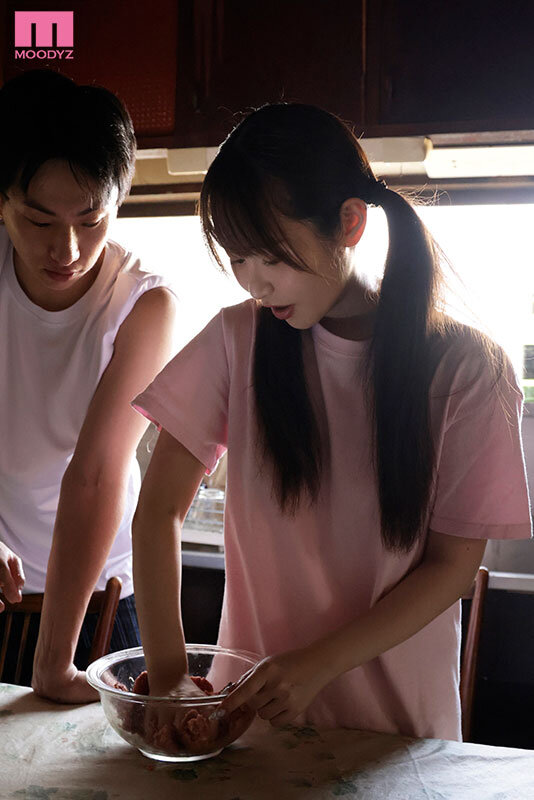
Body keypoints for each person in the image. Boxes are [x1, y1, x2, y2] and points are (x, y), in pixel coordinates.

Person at [131, 103, 531, 740]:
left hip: (397, 741)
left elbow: (452, 568)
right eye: (237, 259)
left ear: (349, 223)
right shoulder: (236, 340)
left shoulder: (468, 368)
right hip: (254, 731)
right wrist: (170, 675)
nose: (255, 284)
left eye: (271, 257)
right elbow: (157, 512)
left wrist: (318, 664)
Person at [0, 69, 176, 703]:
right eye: (39, 220)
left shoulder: (142, 306)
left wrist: (54, 661)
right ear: (1, 202)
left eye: (91, 220)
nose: (67, 250)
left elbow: (97, 474)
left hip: (102, 598)